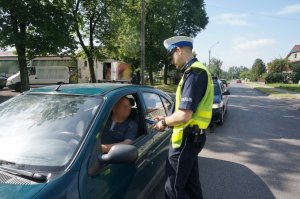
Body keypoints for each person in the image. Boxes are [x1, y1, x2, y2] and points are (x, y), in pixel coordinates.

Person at [153, 36, 214, 199]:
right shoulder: (195, 71)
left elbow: (185, 114)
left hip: (185, 139)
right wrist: (164, 119)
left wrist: (164, 122)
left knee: (173, 188)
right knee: (191, 186)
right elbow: (181, 108)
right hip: (191, 138)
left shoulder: (194, 73)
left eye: (171, 55)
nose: (172, 61)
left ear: (179, 50)